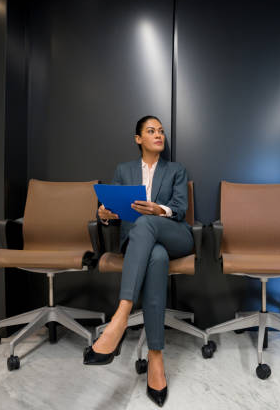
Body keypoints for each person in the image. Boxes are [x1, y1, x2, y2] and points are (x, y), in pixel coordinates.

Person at [83, 115, 193, 407]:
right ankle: (155, 357)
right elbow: (115, 209)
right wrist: (105, 215)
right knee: (154, 255)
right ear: (138, 139)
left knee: (147, 222)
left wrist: (158, 209)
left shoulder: (176, 170)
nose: (158, 135)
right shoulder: (124, 170)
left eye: (161, 131)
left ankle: (120, 317)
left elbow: (181, 210)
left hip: (176, 236)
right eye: (150, 131)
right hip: (141, 245)